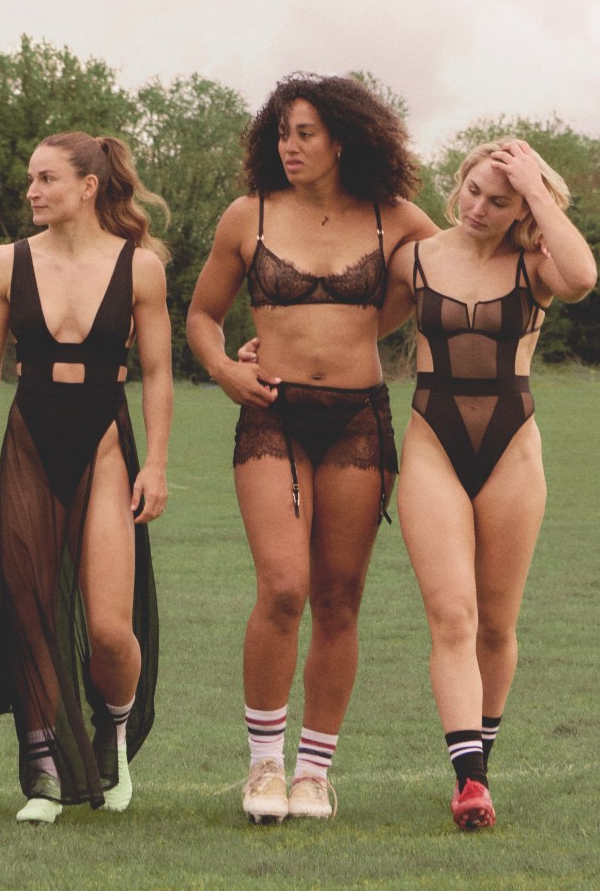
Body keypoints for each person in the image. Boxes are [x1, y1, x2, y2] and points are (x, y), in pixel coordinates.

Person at [186, 73, 438, 822]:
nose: (288, 146)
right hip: (272, 414)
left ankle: (313, 773)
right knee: (284, 586)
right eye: (281, 133)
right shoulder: (248, 214)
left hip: (360, 417)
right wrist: (226, 371)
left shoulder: (395, 218)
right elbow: (201, 314)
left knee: (339, 598)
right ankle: (264, 766)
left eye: (304, 133)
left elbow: (455, 266)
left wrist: (367, 326)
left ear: (341, 140)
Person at [0, 132, 173, 824]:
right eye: (29, 179)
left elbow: (160, 372)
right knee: (32, 612)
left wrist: (156, 463)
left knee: (107, 628)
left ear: (88, 186)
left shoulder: (141, 269)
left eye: (45, 178)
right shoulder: (5, 263)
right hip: (29, 437)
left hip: (106, 440)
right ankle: (44, 772)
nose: (32, 191)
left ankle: (114, 737)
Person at [383, 138, 596, 829]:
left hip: (512, 448)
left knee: (497, 625)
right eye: (473, 190)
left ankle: (481, 756)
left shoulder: (535, 263)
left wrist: (535, 189)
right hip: (429, 444)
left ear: (520, 209)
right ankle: (468, 782)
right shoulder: (415, 257)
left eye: (498, 200)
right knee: (452, 616)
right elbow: (354, 327)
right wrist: (264, 345)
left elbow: (582, 278)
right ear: (459, 184)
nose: (478, 207)